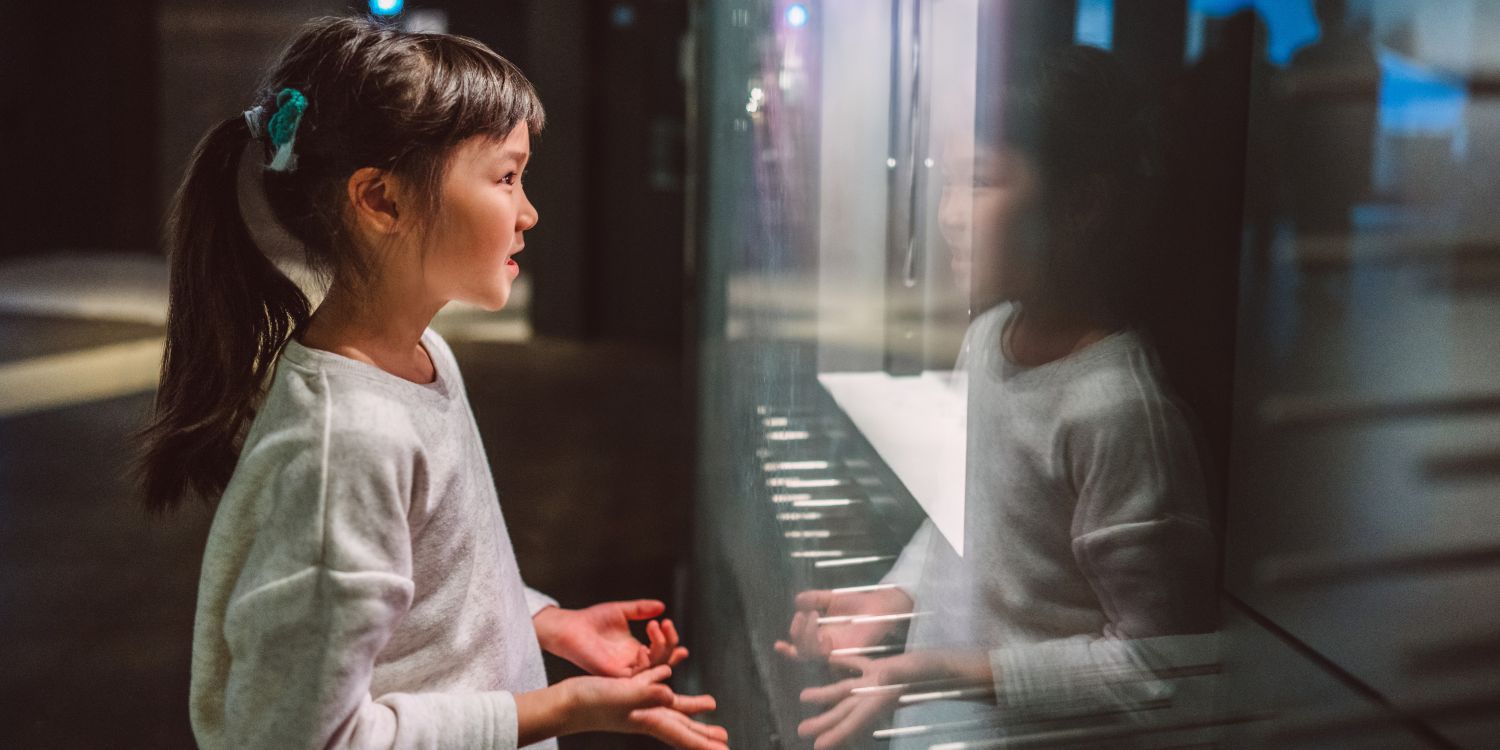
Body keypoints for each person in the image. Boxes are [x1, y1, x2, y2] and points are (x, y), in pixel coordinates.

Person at [134, 16, 728, 750]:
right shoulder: (349, 443)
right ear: (381, 200)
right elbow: (307, 739)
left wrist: (542, 621)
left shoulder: (426, 357)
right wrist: (559, 709)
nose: (529, 212)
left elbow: (436, 578)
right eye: (505, 178)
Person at [778, 45, 1218, 748]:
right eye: (947, 182)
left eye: (980, 183)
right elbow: (969, 519)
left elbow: (1158, 666)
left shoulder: (1116, 409)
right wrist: (894, 598)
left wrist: (951, 670)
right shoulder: (987, 336)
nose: (949, 214)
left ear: (1083, 203)